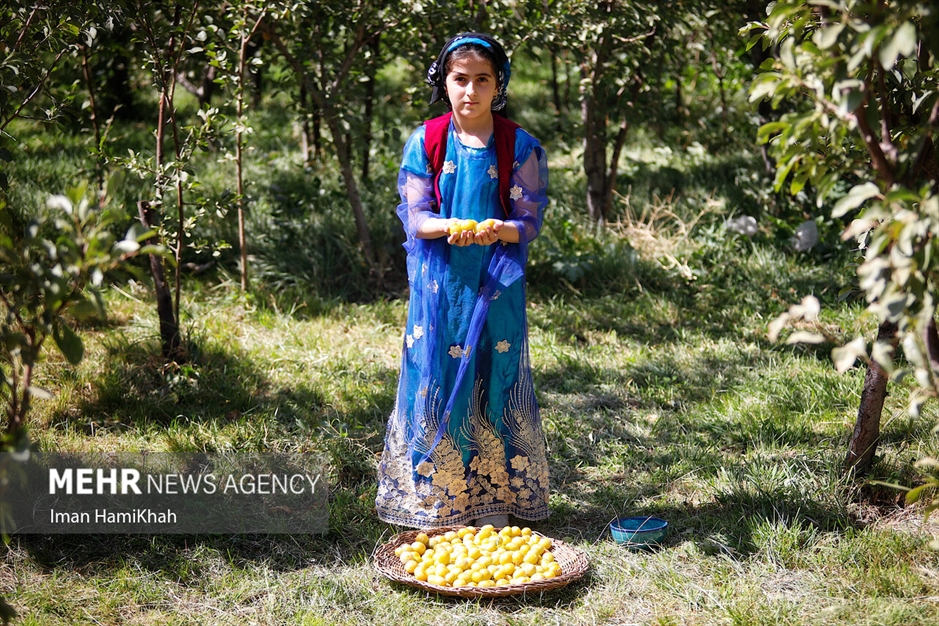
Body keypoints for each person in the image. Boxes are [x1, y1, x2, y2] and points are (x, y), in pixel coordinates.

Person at [375, 33, 550, 529]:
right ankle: (438, 496)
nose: (470, 90)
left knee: (497, 375)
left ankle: (498, 498)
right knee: (437, 373)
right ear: (444, 83)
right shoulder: (426, 141)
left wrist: (499, 229)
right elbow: (415, 216)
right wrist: (450, 227)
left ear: (499, 86)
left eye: (482, 80)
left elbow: (528, 219)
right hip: (442, 284)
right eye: (460, 79)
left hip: (496, 281)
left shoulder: (519, 144)